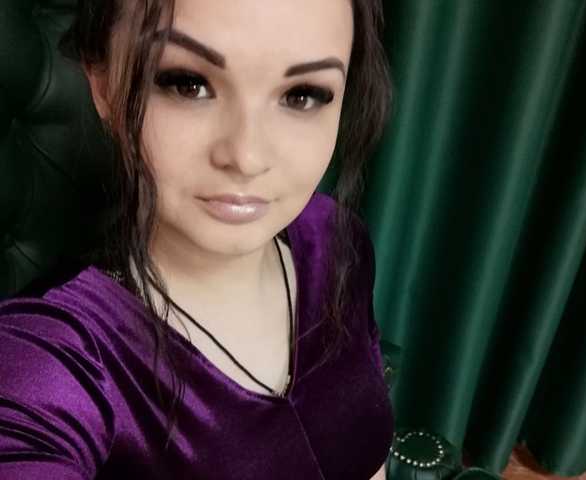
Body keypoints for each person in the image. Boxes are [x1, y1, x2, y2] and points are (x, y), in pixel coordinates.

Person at [0, 0, 394, 478]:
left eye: (303, 95)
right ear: (101, 83)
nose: (247, 156)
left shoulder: (333, 236)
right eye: (188, 84)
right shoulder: (52, 364)